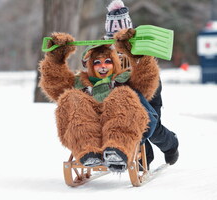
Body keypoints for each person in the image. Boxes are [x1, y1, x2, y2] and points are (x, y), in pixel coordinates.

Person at [39, 29, 160, 172]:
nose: (103, 66)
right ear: (90, 65)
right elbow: (55, 84)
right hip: (89, 125)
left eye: (108, 61)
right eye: (97, 62)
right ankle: (88, 151)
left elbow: (146, 81)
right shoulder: (79, 82)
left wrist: (137, 55)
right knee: (70, 97)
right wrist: (55, 58)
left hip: (119, 121)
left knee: (123, 94)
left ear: (114, 63)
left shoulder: (124, 79)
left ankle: (116, 149)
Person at [104, 0, 179, 166]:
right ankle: (144, 158)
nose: (116, 43)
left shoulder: (140, 46)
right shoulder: (105, 50)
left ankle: (171, 144)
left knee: (150, 126)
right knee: (128, 121)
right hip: (121, 92)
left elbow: (147, 73)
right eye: (112, 37)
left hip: (147, 87)